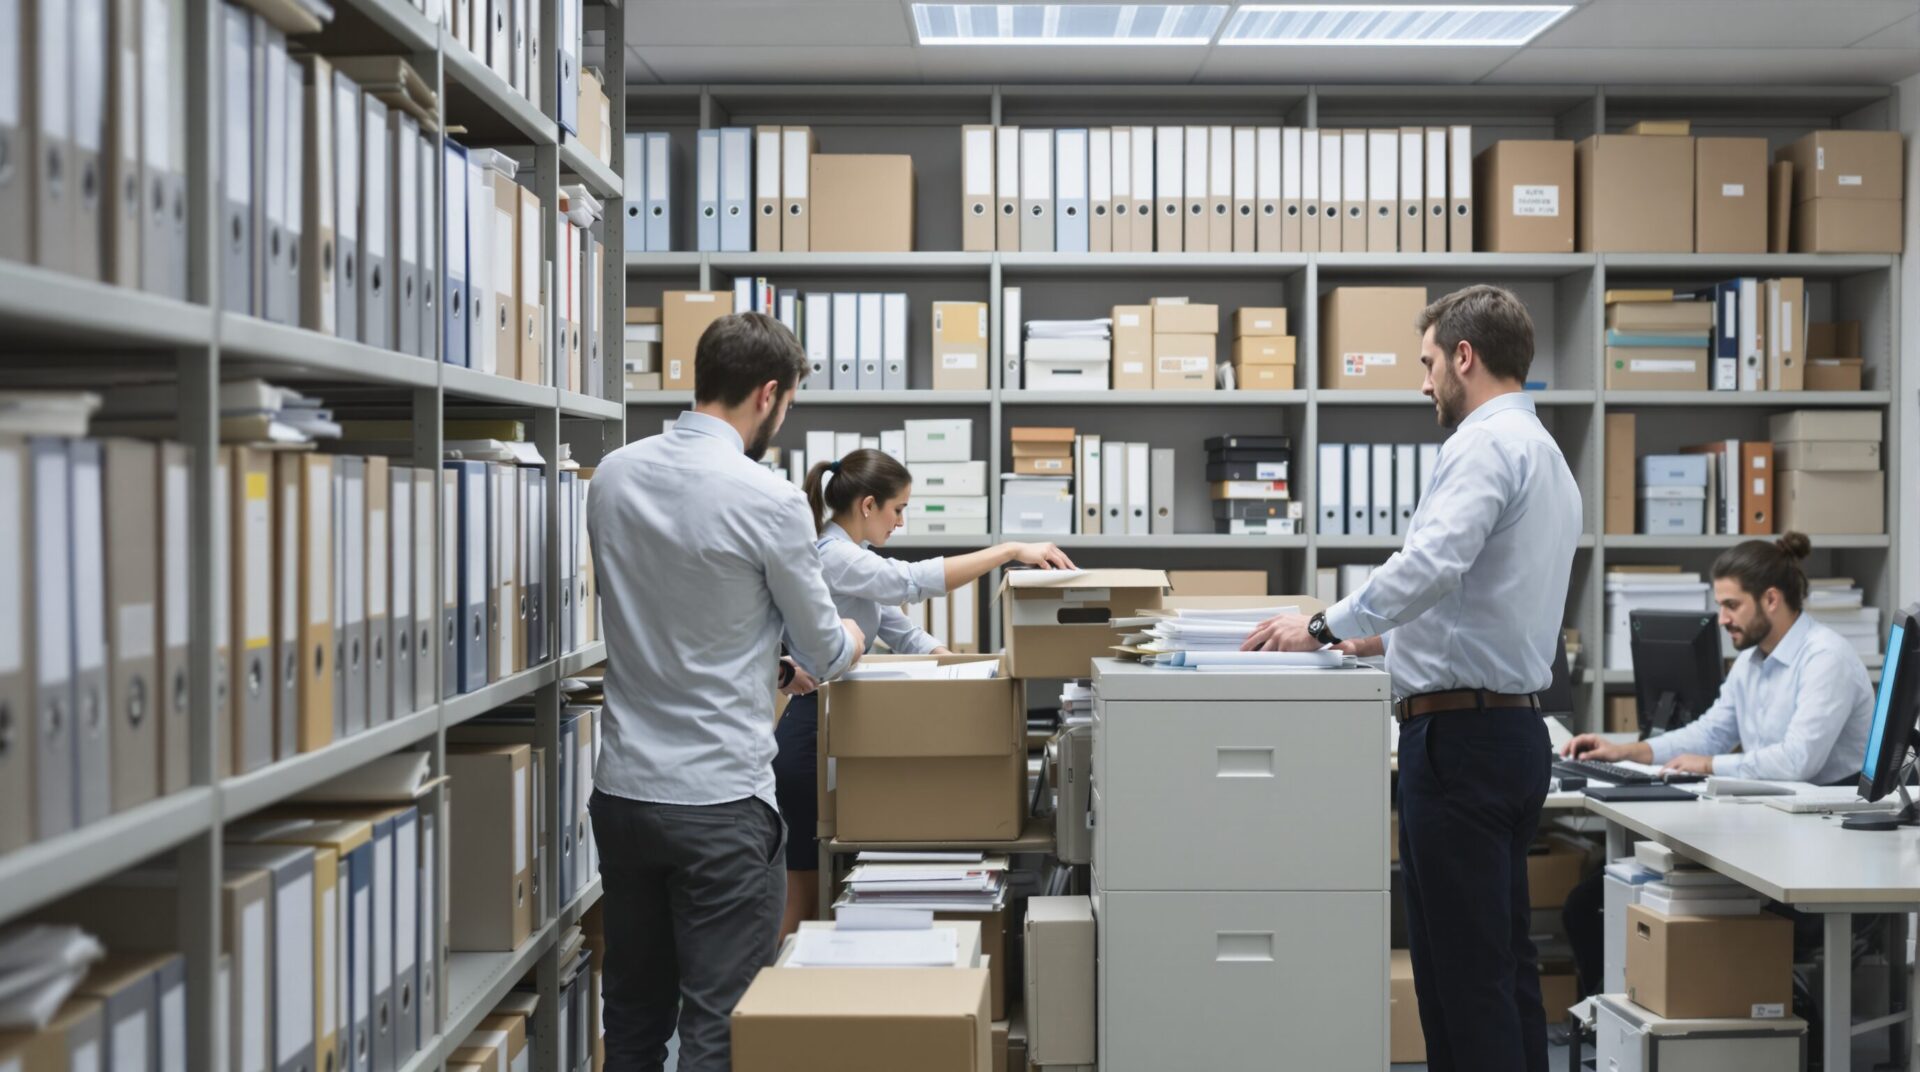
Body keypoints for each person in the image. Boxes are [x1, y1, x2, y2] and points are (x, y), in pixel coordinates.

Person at [1242, 284, 1581, 1072]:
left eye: (1428, 363)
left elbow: (1431, 564)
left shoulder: (1482, 444)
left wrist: (1325, 625)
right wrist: (1378, 647)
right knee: (1503, 966)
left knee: (1460, 976)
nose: (1423, 383)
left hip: (1459, 743)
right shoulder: (1545, 453)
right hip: (1511, 732)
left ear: (1465, 356)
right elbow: (1481, 604)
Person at [586, 312, 868, 1072]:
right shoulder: (769, 498)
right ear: (768, 394)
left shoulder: (613, 474)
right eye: (788, 404)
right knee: (718, 1028)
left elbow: (673, 614)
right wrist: (853, 637)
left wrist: (765, 661)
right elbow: (826, 651)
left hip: (624, 795)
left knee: (634, 1020)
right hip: (719, 807)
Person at [773, 448, 1076, 936]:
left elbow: (904, 632)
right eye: (898, 510)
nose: (900, 522)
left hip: (832, 731)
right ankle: (776, 1004)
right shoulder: (835, 557)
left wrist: (974, 670)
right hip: (809, 740)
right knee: (803, 898)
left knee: (822, 892)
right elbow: (910, 582)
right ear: (868, 505)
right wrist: (1007, 550)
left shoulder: (857, 558)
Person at [1558, 533, 1875, 996]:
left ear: (1771, 598)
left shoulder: (1825, 658)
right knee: (1587, 903)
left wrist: (1709, 766)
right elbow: (1711, 731)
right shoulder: (1752, 662)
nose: (1721, 618)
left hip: (1818, 852)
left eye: (1731, 605)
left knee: (1618, 906)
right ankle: (1610, 1028)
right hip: (1765, 835)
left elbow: (1797, 760)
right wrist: (1627, 750)